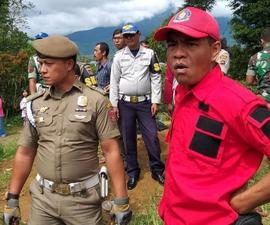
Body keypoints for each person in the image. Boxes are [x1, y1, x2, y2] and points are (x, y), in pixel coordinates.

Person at [154, 6, 270, 225]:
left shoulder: (240, 103)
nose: (178, 52)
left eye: (190, 43)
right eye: (172, 44)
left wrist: (244, 202)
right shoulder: (183, 93)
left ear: (215, 49)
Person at [3, 35, 132, 225]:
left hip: (84, 202)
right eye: (41, 64)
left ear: (69, 65)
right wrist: (12, 199)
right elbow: (25, 152)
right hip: (42, 201)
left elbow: (111, 151)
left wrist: (121, 200)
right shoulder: (35, 104)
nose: (43, 70)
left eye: (48, 64)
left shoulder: (96, 101)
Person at [110, 22, 165, 190]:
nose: (129, 38)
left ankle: (157, 169)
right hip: (125, 103)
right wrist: (114, 105)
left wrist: (155, 101)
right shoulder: (119, 56)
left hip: (145, 103)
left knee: (152, 136)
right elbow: (114, 81)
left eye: (132, 35)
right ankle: (133, 172)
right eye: (126, 36)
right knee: (128, 138)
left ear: (138, 35)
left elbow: (156, 76)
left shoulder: (149, 54)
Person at [246, 27, 270, 102]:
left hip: (265, 99)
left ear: (262, 41)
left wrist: (260, 80)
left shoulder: (254, 58)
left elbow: (249, 81)